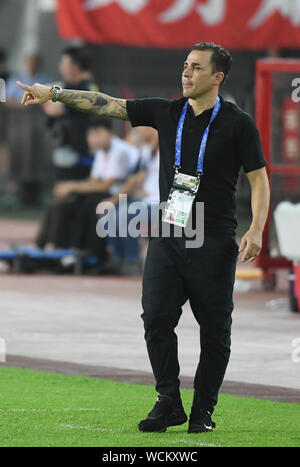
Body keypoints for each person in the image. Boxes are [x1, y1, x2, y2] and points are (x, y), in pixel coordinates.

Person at [16, 41, 270, 434]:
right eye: (185, 65)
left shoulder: (238, 123)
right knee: (155, 318)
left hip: (214, 237)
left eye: (197, 68)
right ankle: (168, 400)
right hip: (168, 235)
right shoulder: (167, 112)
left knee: (215, 331)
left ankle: (203, 409)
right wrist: (54, 93)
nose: (187, 73)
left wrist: (256, 228)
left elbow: (259, 180)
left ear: (217, 77)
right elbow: (106, 103)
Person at [36, 117, 139, 261]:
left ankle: (92, 252)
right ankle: (47, 246)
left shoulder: (120, 151)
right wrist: (70, 188)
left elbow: (106, 185)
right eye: (91, 134)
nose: (93, 139)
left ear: (110, 133)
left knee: (91, 204)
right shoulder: (101, 151)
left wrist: (71, 186)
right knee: (65, 202)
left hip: (125, 196)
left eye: (98, 133)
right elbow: (94, 181)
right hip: (108, 192)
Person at [42, 46, 100, 181]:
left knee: (73, 191)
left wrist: (48, 100)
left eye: (64, 63)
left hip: (80, 152)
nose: (60, 67)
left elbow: (54, 109)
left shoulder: (86, 88)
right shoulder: (70, 85)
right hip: (69, 148)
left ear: (76, 66)